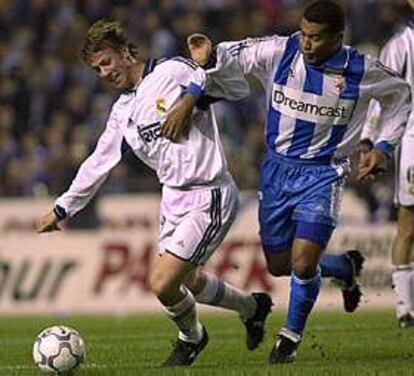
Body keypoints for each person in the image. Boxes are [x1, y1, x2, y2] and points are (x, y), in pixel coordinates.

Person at [164, 0, 412, 364]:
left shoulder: (361, 68)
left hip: (325, 173)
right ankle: (343, 267)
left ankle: (288, 341)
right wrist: (209, 54)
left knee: (302, 260)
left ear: (337, 38)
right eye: (304, 34)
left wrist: (384, 146)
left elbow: (401, 97)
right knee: (279, 264)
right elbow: (236, 55)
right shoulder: (283, 49)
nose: (307, 43)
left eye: (316, 38)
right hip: (278, 171)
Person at [35, 19, 273, 367]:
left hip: (209, 193)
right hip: (173, 198)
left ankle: (192, 339)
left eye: (107, 62)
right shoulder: (122, 111)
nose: (103, 72)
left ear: (127, 52)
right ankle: (253, 308)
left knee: (162, 283)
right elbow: (98, 162)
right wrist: (62, 209)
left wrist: (191, 99)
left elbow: (236, 89)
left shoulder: (173, 71)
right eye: (96, 68)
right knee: (185, 281)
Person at [362, 0, 414, 329]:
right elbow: (381, 97)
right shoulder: (400, 46)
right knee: (409, 224)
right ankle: (405, 308)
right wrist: (369, 140)